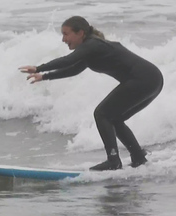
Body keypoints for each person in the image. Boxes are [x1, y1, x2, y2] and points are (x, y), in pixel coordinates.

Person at [20, 16, 163, 171]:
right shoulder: (91, 50)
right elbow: (74, 68)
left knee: (102, 113)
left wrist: (39, 68)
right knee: (115, 118)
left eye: (66, 34)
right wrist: (45, 76)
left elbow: (68, 60)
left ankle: (113, 161)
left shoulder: (92, 44)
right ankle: (138, 157)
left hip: (143, 79)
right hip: (152, 79)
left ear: (80, 33)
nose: (63, 39)